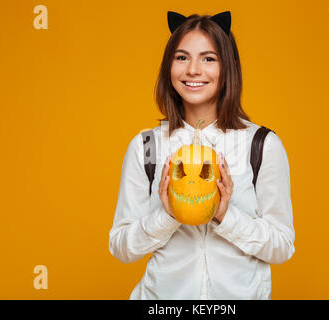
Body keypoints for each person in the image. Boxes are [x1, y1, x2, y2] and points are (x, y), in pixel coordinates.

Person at [108, 11, 295, 300]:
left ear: (229, 66)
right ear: (169, 66)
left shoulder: (261, 145)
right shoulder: (147, 147)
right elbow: (121, 247)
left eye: (209, 58)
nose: (193, 70)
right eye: (181, 57)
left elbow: (282, 246)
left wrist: (224, 215)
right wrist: (168, 215)